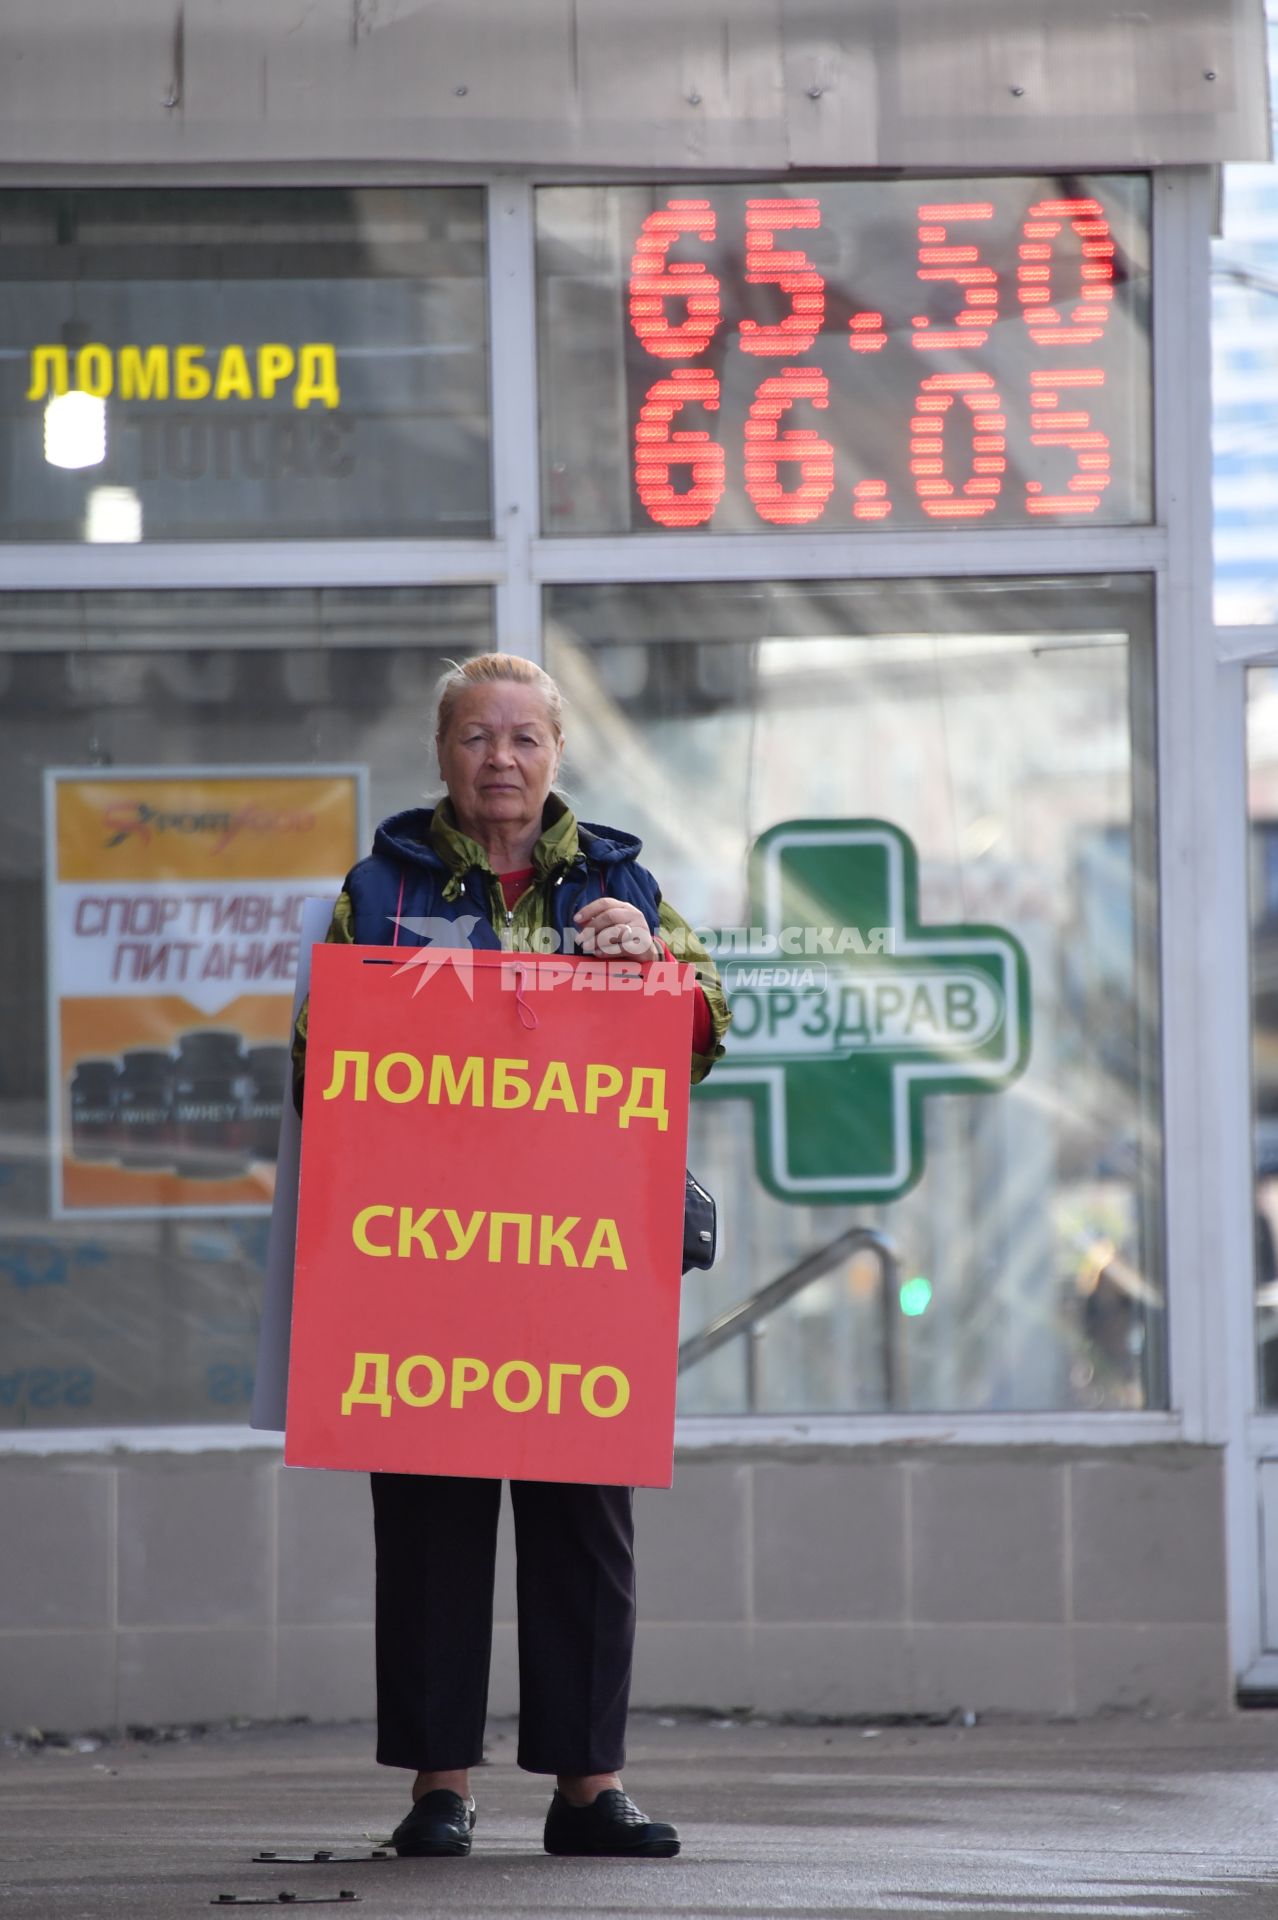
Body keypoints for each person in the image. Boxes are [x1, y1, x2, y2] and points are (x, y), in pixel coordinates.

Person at [292, 651, 730, 1860]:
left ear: (556, 754)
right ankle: (442, 1789)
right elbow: (312, 1066)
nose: (501, 759)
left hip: (577, 1263)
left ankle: (589, 1791)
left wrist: (648, 962)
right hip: (423, 1262)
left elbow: (704, 1031)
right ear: (443, 755)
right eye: (478, 737)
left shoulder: (619, 880)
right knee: (431, 1522)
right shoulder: (379, 888)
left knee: (583, 1523)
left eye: (525, 737)